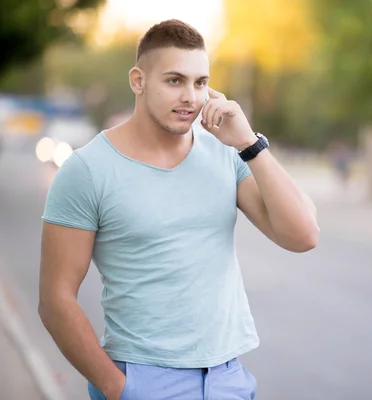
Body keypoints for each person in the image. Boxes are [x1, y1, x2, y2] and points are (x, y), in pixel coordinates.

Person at [38, 19, 319, 400]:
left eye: (200, 82)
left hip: (227, 378)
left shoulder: (226, 153)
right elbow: (55, 299)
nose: (191, 96)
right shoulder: (87, 170)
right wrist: (116, 387)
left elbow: (303, 235)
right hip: (142, 379)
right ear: (138, 81)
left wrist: (249, 143)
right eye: (174, 81)